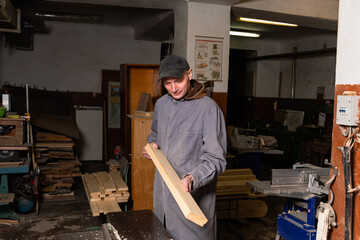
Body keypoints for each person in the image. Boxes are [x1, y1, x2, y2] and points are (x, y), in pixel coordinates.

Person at [142, 54, 227, 240]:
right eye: (167, 83)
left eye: (178, 81)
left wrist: (192, 178)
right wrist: (151, 144)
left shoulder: (208, 110)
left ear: (189, 74)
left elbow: (217, 159)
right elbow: (155, 133)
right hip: (163, 202)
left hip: (192, 203)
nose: (173, 88)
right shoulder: (162, 105)